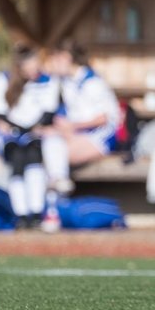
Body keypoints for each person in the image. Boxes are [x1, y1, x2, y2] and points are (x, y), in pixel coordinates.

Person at [40, 40, 123, 196]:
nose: (52, 64)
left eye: (55, 59)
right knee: (48, 142)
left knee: (53, 154)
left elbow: (102, 119)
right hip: (80, 134)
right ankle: (57, 193)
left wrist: (72, 126)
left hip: (102, 136)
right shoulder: (66, 82)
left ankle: (57, 198)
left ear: (65, 58)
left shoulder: (92, 82)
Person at [0, 45, 59, 229]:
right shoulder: (4, 78)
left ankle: (36, 213)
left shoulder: (48, 81)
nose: (34, 67)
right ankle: (21, 214)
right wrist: (12, 128)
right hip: (10, 134)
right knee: (17, 160)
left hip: (36, 133)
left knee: (34, 158)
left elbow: (49, 111)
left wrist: (36, 128)